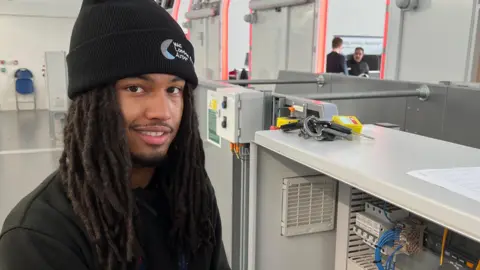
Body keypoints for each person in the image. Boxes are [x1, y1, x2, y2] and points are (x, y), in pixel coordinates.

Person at [0, 0, 231, 269]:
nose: (162, 112)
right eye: (135, 88)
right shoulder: (40, 235)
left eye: (174, 90)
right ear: (92, 101)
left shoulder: (191, 194)